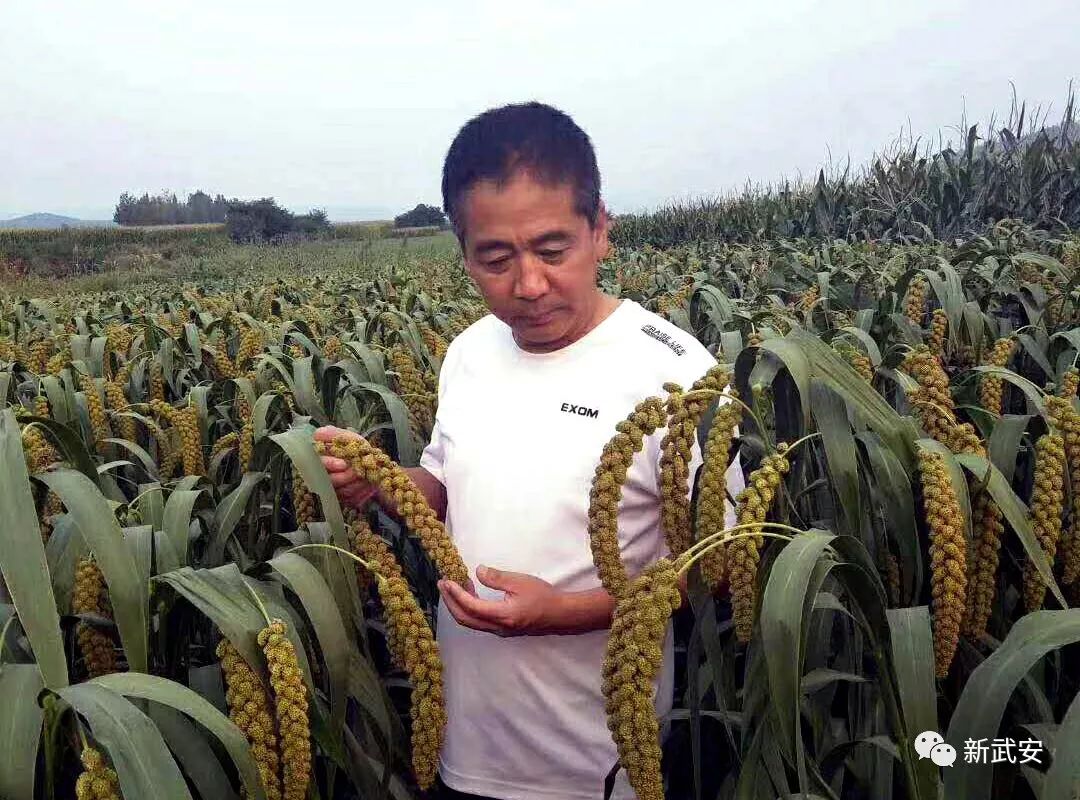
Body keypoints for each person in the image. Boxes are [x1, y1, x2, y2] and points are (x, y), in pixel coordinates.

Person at [317, 101, 743, 800]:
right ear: (462, 254)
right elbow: (443, 486)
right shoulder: (468, 353)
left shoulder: (677, 375)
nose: (529, 285)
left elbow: (720, 567)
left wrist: (562, 612)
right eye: (495, 259)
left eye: (553, 250)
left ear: (600, 229)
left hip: (601, 765)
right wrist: (372, 480)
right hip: (462, 747)